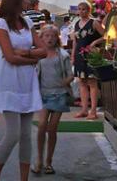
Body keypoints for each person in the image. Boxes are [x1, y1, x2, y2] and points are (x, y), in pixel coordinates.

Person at [0, 0, 44, 181]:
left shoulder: (27, 22)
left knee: (26, 134)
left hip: (27, 80)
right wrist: (32, 59)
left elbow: (44, 49)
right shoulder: (0, 24)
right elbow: (9, 57)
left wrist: (26, 53)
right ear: (16, 0)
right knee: (13, 133)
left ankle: (24, 179)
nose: (27, 1)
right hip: (9, 80)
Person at [33, 24, 73, 175]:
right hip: (42, 93)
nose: (49, 39)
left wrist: (65, 82)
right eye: (46, 36)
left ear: (57, 38)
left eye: (52, 36)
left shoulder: (62, 55)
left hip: (59, 94)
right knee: (42, 124)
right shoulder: (38, 54)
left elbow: (70, 74)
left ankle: (48, 161)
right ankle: (39, 159)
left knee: (52, 128)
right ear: (41, 38)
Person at [71, 1, 104, 119]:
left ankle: (93, 111)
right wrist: (73, 56)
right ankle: (84, 109)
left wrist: (95, 42)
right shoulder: (76, 24)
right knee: (82, 82)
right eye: (79, 9)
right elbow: (75, 41)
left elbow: (105, 35)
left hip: (91, 56)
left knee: (92, 82)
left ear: (88, 10)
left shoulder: (94, 23)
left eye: (84, 9)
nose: (81, 11)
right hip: (79, 55)